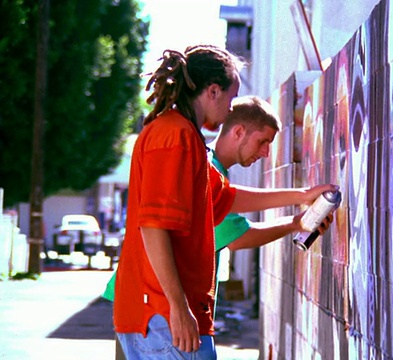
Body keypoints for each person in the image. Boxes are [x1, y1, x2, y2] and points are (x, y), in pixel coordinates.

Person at [113, 45, 337, 359]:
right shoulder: (173, 135)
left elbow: (227, 198)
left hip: (164, 314)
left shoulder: (188, 138)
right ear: (213, 91)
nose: (231, 109)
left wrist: (302, 199)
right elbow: (152, 226)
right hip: (162, 314)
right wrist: (178, 307)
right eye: (231, 99)